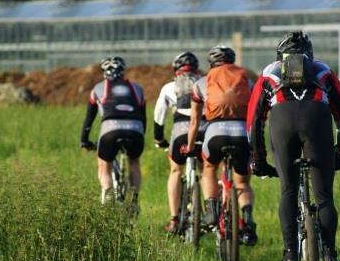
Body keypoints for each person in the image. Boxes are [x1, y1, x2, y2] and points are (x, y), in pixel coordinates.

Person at [246, 31, 340, 261]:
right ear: (309, 55)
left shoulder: (268, 72)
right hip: (317, 121)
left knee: (288, 191)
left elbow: (254, 122)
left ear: (279, 56)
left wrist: (259, 161)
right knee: (324, 195)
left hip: (282, 124)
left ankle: (290, 257)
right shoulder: (323, 70)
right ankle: (329, 257)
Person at [186, 45, 257, 246]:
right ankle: (247, 220)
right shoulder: (246, 80)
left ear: (211, 63)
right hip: (242, 133)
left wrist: (190, 146)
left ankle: (211, 209)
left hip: (215, 133)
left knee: (209, 169)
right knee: (242, 183)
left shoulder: (201, 82)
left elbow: (194, 121)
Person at [80, 56, 146, 213]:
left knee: (104, 165)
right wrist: (140, 135)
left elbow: (89, 118)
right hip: (135, 130)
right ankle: (134, 200)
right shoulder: (137, 88)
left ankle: (108, 194)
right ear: (123, 72)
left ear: (104, 73)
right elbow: (143, 118)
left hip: (110, 129)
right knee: (134, 162)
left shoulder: (98, 88)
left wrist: (84, 140)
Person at [154, 51, 206, 233]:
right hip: (204, 129)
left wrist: (159, 139)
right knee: (207, 169)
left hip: (181, 131)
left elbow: (159, 116)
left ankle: (174, 218)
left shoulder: (169, 87)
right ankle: (209, 213)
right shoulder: (206, 83)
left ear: (176, 69)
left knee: (176, 170)